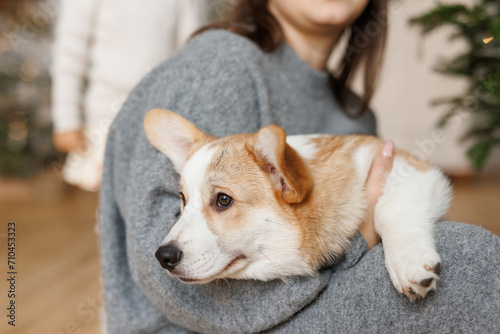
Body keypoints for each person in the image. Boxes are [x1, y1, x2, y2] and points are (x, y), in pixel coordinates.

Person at [99, 0, 500, 333]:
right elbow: (165, 277)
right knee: (465, 261)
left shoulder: (352, 114)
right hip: (194, 326)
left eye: (221, 200)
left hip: (296, 305)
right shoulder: (216, 65)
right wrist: (357, 242)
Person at [51, 0, 209, 191]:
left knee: (157, 190)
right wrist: (67, 120)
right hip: (106, 115)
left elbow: (193, 51)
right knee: (111, 196)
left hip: (161, 113)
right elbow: (69, 56)